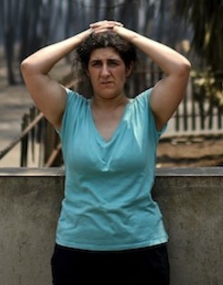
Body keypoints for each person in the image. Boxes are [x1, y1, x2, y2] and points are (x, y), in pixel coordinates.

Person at [20, 20, 192, 285]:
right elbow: (31, 68)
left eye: (113, 63)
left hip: (141, 249)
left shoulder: (147, 110)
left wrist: (126, 35)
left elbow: (180, 68)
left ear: (128, 68)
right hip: (77, 251)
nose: (105, 72)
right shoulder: (69, 111)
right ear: (87, 71)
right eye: (96, 64)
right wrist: (85, 36)